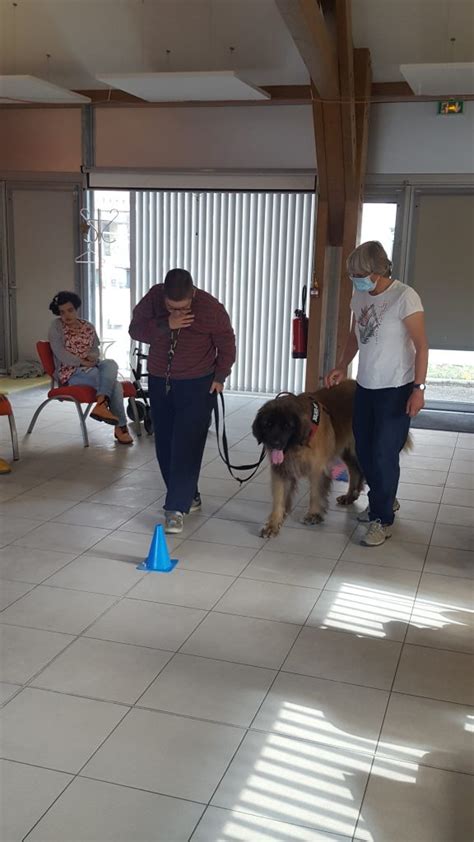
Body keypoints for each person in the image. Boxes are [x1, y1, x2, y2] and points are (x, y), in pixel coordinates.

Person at [325, 240, 429, 547]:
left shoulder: (405, 297)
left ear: (378, 270)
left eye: (360, 273)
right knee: (366, 453)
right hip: (366, 388)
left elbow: (422, 346)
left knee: (384, 455)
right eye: (352, 274)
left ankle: (382, 518)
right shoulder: (359, 295)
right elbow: (355, 336)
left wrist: (418, 389)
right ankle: (383, 500)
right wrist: (342, 365)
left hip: (396, 389)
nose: (356, 279)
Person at [129, 268, 236, 534]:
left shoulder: (210, 308)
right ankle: (189, 494)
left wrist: (220, 375)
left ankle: (175, 508)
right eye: (170, 307)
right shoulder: (153, 298)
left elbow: (227, 344)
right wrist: (166, 323)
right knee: (164, 443)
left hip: (198, 383)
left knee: (187, 443)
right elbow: (135, 330)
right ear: (163, 296)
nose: (177, 312)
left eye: (182, 307)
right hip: (159, 380)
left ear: (193, 295)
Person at [48, 291, 133, 445]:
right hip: (71, 372)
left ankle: (100, 404)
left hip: (92, 365)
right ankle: (121, 426)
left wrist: (92, 357)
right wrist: (81, 362)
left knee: (111, 363)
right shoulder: (56, 326)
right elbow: (60, 353)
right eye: (62, 312)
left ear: (76, 308)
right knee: (115, 385)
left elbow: (95, 349)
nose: (66, 315)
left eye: (70, 310)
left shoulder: (87, 325)